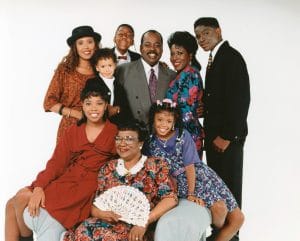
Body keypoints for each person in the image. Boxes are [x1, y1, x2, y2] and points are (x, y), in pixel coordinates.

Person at [5, 83, 118, 241]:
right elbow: (57, 163)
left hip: (85, 188)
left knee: (21, 199)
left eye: (99, 103)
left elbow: (121, 165)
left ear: (106, 105)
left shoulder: (114, 132)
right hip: (66, 179)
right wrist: (39, 187)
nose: (94, 108)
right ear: (82, 105)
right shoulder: (74, 130)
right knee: (12, 204)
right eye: (88, 103)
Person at [144, 99, 244, 241]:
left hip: (200, 177)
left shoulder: (182, 136)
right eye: (160, 120)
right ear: (153, 119)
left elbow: (189, 166)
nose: (163, 124)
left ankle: (216, 235)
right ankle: (216, 233)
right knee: (219, 210)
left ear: (174, 121)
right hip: (178, 182)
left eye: (168, 120)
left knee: (238, 219)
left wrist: (191, 193)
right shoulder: (150, 143)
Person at [62, 120, 178, 241]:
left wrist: (144, 222)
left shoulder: (156, 165)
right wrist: (102, 214)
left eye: (128, 139)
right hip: (102, 223)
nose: (122, 143)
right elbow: (96, 206)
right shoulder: (108, 168)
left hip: (135, 228)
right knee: (82, 232)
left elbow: (171, 199)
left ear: (140, 143)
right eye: (118, 138)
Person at [194, 17, 250, 240]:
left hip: (227, 141)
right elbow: (221, 97)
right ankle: (222, 235)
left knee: (230, 194)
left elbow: (240, 99)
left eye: (206, 33)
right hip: (215, 140)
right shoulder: (214, 59)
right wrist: (204, 108)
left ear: (218, 30)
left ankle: (231, 237)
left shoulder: (231, 57)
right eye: (198, 36)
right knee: (219, 192)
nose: (202, 39)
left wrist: (227, 136)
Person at [43, 25, 101, 142]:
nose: (86, 47)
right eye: (80, 43)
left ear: (95, 45)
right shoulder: (65, 70)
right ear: (75, 47)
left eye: (90, 42)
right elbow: (49, 102)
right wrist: (77, 114)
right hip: (70, 128)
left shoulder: (102, 69)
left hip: (97, 128)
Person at [115, 29, 176, 124]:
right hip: (132, 134)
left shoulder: (172, 75)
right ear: (141, 48)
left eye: (157, 45)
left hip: (162, 135)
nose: (152, 49)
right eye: (147, 45)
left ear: (162, 49)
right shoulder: (123, 71)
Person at [166, 31, 204, 156]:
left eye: (180, 53)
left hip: (187, 138)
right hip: (179, 136)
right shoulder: (181, 74)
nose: (175, 58)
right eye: (172, 54)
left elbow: (186, 114)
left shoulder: (191, 75)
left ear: (190, 55)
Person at [85, 47, 133, 125]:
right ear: (97, 68)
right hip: (96, 123)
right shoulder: (92, 83)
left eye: (110, 65)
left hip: (115, 125)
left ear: (115, 65)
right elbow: (89, 104)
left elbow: (125, 108)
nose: (107, 70)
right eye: (103, 66)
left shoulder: (119, 86)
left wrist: (117, 109)